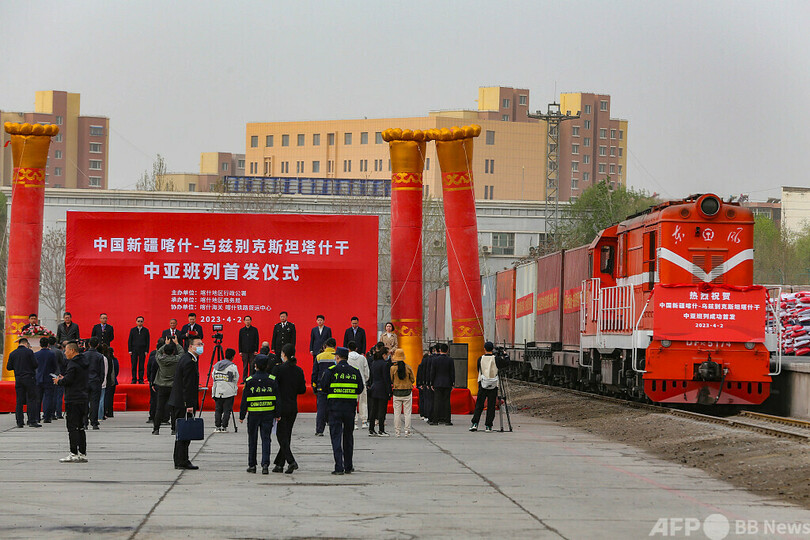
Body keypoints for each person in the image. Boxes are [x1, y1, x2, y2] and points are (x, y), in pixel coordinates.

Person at [322, 346, 363, 475]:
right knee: (348, 437)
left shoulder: (331, 371)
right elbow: (360, 389)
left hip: (334, 409)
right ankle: (349, 466)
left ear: (338, 357)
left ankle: (339, 466)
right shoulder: (355, 371)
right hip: (349, 410)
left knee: (336, 437)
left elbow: (324, 387)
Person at [239, 354, 280, 474]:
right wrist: (277, 413)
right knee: (266, 439)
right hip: (268, 414)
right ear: (267, 366)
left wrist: (242, 415)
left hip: (253, 415)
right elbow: (277, 398)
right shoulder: (272, 380)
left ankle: (252, 465)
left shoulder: (249, 380)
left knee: (252, 439)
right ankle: (265, 465)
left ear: (255, 365)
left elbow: (244, 400)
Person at [168, 336, 202, 470]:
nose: (201, 346)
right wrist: (189, 404)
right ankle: (182, 460)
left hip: (179, 401)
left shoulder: (189, 359)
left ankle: (179, 459)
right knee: (184, 433)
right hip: (183, 403)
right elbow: (187, 386)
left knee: (181, 433)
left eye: (201, 343)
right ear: (191, 347)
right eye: (198, 344)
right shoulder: (188, 361)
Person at [272, 343, 306, 474]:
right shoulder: (298, 370)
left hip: (281, 406)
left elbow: (273, 388)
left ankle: (291, 461)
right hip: (293, 406)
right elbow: (302, 389)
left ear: (284, 354)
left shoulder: (278, 369)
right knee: (287, 435)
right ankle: (279, 464)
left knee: (281, 435)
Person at [55, 342, 89, 463]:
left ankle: (73, 452)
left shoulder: (73, 364)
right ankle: (83, 453)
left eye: (66, 350)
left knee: (72, 427)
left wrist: (59, 381)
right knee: (80, 427)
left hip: (73, 398)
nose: (65, 353)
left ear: (73, 351)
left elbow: (68, 380)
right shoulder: (84, 362)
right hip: (83, 397)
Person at [7, 338, 39, 428]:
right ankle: (32, 420)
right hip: (29, 378)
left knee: (19, 400)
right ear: (26, 343)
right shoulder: (29, 352)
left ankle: (19, 422)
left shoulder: (13, 353)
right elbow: (35, 364)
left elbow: (9, 367)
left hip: (18, 378)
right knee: (31, 399)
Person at [153, 337, 181, 435]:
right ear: (173, 352)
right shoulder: (176, 359)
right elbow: (182, 354)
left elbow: (158, 352)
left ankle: (156, 429)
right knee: (173, 409)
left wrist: (165, 344)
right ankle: (174, 429)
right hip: (173, 386)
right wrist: (177, 343)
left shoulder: (160, 359)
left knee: (159, 408)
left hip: (162, 385)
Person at [470, 341, 499, 433]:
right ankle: (488, 425)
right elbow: (506, 363)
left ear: (484, 349)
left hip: (483, 384)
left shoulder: (480, 359)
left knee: (479, 405)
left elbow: (478, 368)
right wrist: (505, 355)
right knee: (491, 405)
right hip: (494, 385)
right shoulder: (496, 359)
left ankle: (475, 423)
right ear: (493, 349)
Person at [312, 337, 336, 436]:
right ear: (335, 346)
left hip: (321, 386)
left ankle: (319, 430)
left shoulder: (319, 356)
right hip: (334, 387)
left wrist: (314, 385)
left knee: (321, 409)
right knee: (334, 409)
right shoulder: (337, 357)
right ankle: (334, 429)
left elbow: (315, 373)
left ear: (325, 346)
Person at [212, 348, 239, 433]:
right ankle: (224, 426)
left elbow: (213, 377)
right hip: (229, 391)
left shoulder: (216, 366)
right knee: (227, 410)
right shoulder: (232, 367)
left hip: (217, 391)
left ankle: (217, 426)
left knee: (218, 410)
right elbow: (236, 378)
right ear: (232, 357)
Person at [390, 348, 415, 437]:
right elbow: (412, 379)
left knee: (397, 413)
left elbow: (391, 380)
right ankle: (407, 431)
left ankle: (397, 432)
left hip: (397, 392)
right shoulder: (408, 367)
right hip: (407, 392)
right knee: (407, 413)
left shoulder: (393, 368)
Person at [367, 347, 391, 436]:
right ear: (384, 355)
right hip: (382, 389)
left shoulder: (374, 363)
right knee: (382, 410)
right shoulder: (385, 364)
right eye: (387, 355)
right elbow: (386, 378)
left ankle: (371, 429)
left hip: (374, 388)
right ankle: (381, 430)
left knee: (373, 410)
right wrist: (389, 390)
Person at [429, 343, 455, 426]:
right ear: (447, 350)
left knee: (437, 401)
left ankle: (435, 420)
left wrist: (432, 383)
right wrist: (452, 383)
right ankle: (447, 420)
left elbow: (432, 372)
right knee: (447, 402)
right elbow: (452, 372)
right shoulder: (450, 360)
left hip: (437, 382)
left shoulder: (435, 360)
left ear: (440, 350)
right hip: (447, 383)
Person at [346, 341, 369, 429]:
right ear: (356, 348)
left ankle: (354, 422)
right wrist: (365, 379)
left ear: (348, 349)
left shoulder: (347, 358)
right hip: (361, 382)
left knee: (352, 402)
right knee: (363, 402)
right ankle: (364, 421)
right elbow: (366, 372)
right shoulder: (362, 358)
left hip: (351, 383)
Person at [35, 337, 58, 423]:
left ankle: (37, 417)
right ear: (48, 344)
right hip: (48, 378)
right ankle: (47, 417)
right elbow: (55, 366)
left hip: (38, 378)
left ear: (40, 345)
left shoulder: (36, 354)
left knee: (38, 399)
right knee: (48, 398)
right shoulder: (51, 354)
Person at [84, 337, 106, 430]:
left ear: (89, 344)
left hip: (85, 381)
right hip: (95, 381)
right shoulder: (100, 356)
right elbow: (102, 371)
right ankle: (94, 422)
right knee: (95, 402)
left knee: (85, 402)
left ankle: (84, 422)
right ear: (97, 345)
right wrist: (100, 381)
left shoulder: (83, 355)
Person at [128, 316, 151, 384]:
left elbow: (148, 341)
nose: (140, 322)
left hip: (142, 350)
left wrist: (146, 350)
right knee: (134, 365)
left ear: (143, 322)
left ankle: (141, 379)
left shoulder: (146, 330)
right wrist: (130, 350)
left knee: (141, 365)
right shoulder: (132, 330)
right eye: (138, 321)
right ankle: (134, 379)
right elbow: (130, 340)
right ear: (136, 322)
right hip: (134, 349)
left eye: (141, 321)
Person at [238, 315, 260, 383]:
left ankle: (251, 379)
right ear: (244, 321)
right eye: (246, 320)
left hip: (252, 351)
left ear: (251, 321)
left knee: (252, 366)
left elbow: (257, 340)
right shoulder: (242, 330)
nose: (247, 321)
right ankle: (244, 379)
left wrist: (256, 350)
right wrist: (240, 351)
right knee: (245, 366)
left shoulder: (254, 330)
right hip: (244, 351)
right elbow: (240, 341)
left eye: (248, 320)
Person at [50, 337, 66, 420]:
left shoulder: (48, 351)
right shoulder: (58, 352)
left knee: (50, 395)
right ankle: (58, 413)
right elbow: (63, 362)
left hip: (48, 375)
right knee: (58, 395)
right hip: (57, 374)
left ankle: (50, 413)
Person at [146, 339, 162, 423]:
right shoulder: (168, 356)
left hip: (155, 381)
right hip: (163, 381)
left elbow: (150, 368)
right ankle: (163, 417)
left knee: (154, 399)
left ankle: (153, 416)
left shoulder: (153, 356)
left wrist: (150, 380)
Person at [103, 347, 119, 419]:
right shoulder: (114, 360)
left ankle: (105, 411)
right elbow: (117, 370)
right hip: (112, 380)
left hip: (105, 381)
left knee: (104, 397)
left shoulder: (104, 359)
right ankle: (110, 412)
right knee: (110, 398)